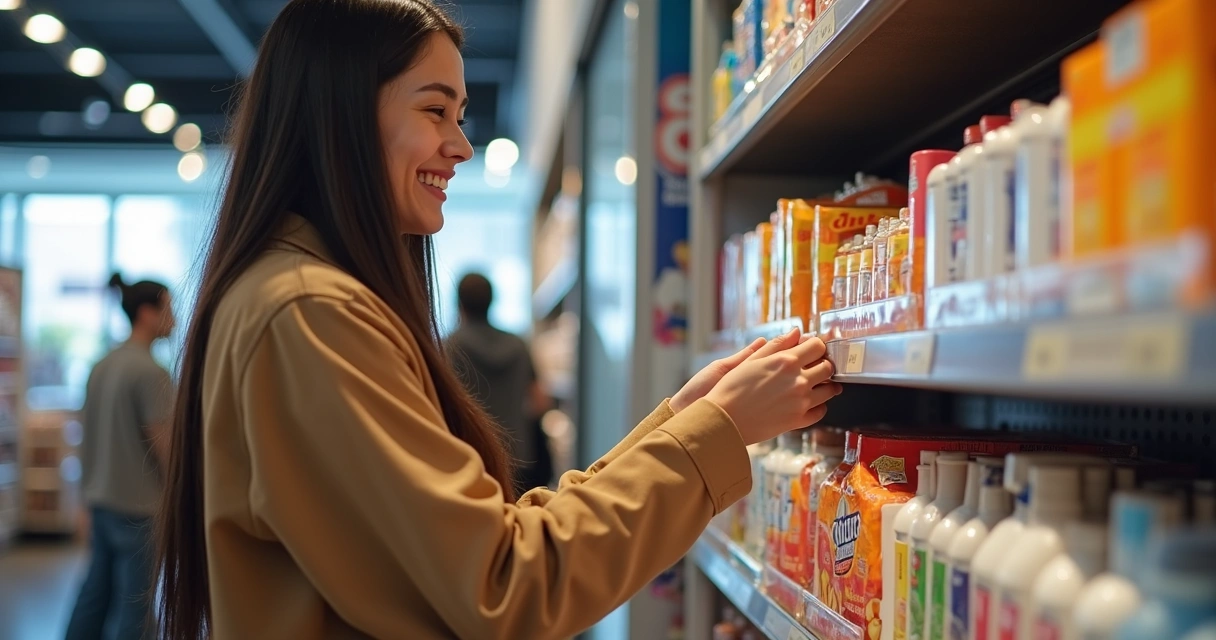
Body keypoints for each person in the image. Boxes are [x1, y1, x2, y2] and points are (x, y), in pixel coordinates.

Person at [153, 1, 842, 639]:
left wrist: (683, 422)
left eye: (459, 115)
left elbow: (483, 544)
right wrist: (717, 434)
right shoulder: (311, 315)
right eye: (435, 110)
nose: (460, 146)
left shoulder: (294, 296)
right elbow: (505, 586)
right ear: (341, 115)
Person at [67, 273, 175, 640]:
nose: (175, 320)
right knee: (135, 607)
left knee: (94, 596)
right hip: (139, 509)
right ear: (147, 313)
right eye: (169, 308)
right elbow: (165, 446)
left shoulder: (102, 365)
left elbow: (87, 437)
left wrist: (83, 498)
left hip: (101, 502)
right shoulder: (152, 372)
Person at [447, 272, 551, 492]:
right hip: (519, 458)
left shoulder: (451, 347)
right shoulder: (518, 345)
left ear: (460, 305)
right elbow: (540, 401)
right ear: (491, 302)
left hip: (472, 457)